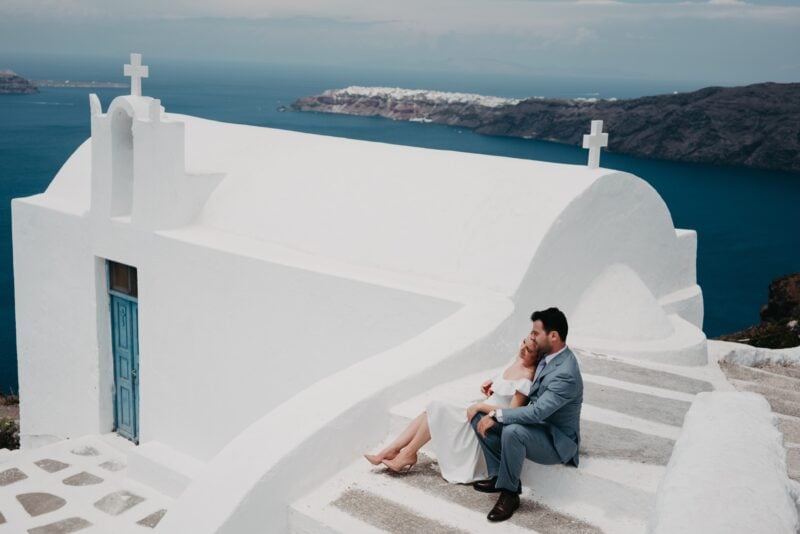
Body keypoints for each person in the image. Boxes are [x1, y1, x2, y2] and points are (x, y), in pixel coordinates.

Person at [364, 334, 539, 479]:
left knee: (437, 407)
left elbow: (511, 413)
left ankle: (407, 453)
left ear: (538, 356)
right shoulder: (518, 361)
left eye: (529, 350)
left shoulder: (527, 377)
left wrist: (480, 407)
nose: (523, 349)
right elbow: (503, 386)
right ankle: (393, 450)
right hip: (478, 408)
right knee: (432, 409)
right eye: (524, 342)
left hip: (482, 419)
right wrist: (492, 383)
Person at [471, 307, 583, 523]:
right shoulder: (548, 354)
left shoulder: (566, 373)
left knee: (513, 430)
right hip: (537, 425)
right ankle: (497, 476)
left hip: (555, 439)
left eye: (535, 333)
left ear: (553, 336)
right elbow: (523, 371)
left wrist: (496, 413)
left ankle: (509, 494)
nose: (531, 336)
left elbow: (538, 411)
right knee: (477, 417)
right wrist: (495, 385)